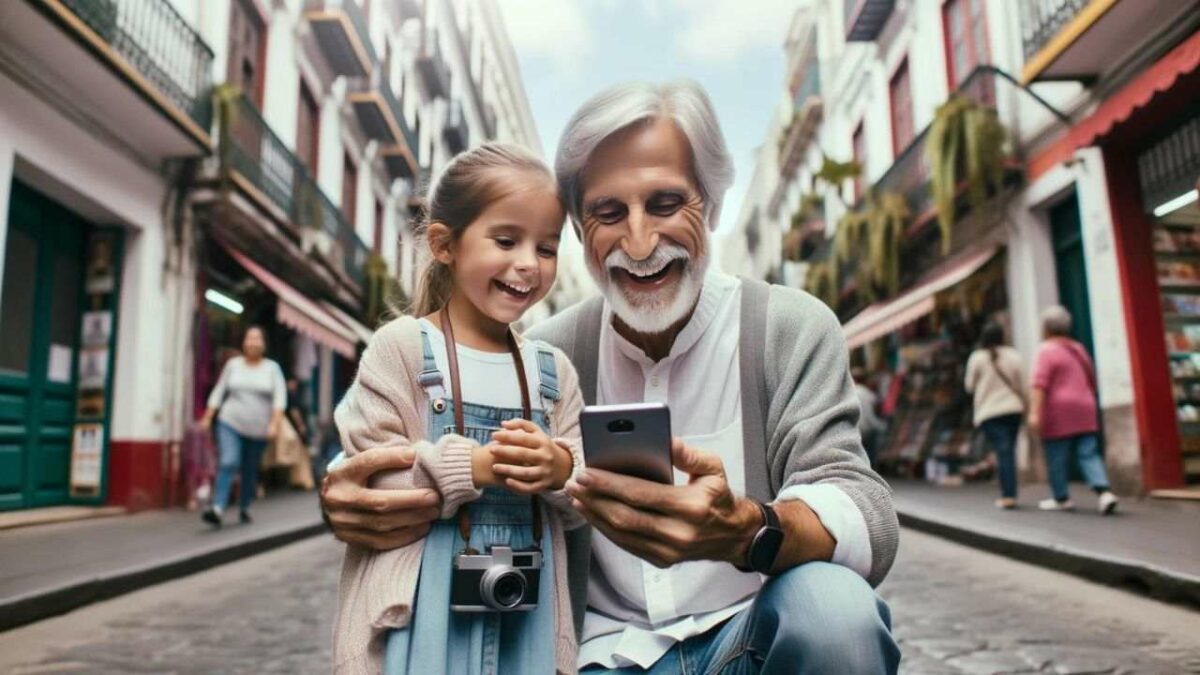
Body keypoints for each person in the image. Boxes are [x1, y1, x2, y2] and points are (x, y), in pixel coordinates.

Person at [321, 81, 900, 674]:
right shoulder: (543, 357)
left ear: (714, 205)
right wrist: (350, 488)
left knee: (836, 614)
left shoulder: (787, 327)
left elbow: (864, 506)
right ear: (577, 229)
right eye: (608, 212)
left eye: (667, 203)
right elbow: (412, 434)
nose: (641, 241)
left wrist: (746, 530)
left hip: (748, 638)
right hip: (600, 655)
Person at [330, 144, 587, 674]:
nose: (528, 264)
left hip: (527, 617)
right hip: (419, 618)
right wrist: (472, 468)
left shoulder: (552, 369)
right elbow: (371, 478)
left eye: (546, 248)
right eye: (506, 240)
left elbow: (586, 494)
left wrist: (560, 468)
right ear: (444, 244)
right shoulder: (400, 347)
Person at [1028, 306, 1119, 514]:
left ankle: (1062, 498)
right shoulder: (1078, 349)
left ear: (1045, 328)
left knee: (1056, 455)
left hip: (1059, 409)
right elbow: (1091, 378)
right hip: (1085, 405)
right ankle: (1104, 492)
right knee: (1088, 453)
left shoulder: (1045, 350)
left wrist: (1034, 412)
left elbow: (1039, 384)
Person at [199, 325, 285, 527]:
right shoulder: (233, 365)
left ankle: (245, 506)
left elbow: (279, 399)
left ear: (264, 344)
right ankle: (217, 507)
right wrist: (208, 416)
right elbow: (219, 391)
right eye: (249, 338)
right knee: (229, 461)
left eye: (257, 339)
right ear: (244, 342)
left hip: (258, 429)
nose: (253, 342)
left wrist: (274, 424)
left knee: (249, 469)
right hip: (230, 422)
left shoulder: (272, 368)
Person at [964, 322, 1026, 509]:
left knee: (1003, 451)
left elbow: (969, 386)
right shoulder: (1014, 356)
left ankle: (1009, 495)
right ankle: (1009, 492)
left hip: (989, 412)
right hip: (1013, 409)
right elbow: (1024, 384)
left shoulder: (977, 358)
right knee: (1008, 450)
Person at [853, 367, 887, 468]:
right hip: (867, 429)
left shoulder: (848, 392)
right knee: (869, 454)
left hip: (852, 428)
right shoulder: (869, 395)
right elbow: (873, 415)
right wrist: (880, 426)